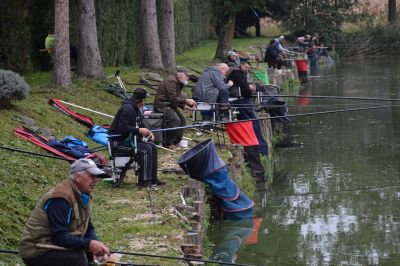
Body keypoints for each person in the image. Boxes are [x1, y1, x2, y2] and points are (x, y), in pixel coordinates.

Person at [19, 158, 110, 266]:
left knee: (90, 253)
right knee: (76, 258)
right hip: (37, 250)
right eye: (91, 176)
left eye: (96, 176)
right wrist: (89, 244)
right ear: (77, 177)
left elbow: (88, 227)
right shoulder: (60, 198)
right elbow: (59, 237)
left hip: (53, 245)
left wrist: (95, 244)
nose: (95, 180)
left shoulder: (82, 194)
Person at [109, 88, 165, 187]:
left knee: (152, 146)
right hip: (118, 143)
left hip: (129, 140)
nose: (145, 102)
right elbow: (123, 128)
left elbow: (141, 124)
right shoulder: (127, 109)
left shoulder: (135, 108)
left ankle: (152, 178)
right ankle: (144, 180)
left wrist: (148, 132)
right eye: (145, 100)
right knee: (146, 149)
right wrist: (139, 130)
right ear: (141, 100)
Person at [228, 61, 268, 163]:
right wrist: (251, 89)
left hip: (242, 98)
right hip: (236, 97)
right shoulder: (237, 72)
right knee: (250, 121)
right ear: (242, 65)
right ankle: (262, 153)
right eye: (246, 67)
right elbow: (242, 84)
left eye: (248, 68)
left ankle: (262, 151)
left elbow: (244, 85)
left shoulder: (241, 72)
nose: (247, 69)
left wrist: (251, 87)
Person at [153, 68, 197, 149]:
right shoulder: (171, 81)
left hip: (169, 105)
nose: (188, 79)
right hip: (162, 105)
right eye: (187, 76)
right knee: (175, 120)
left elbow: (176, 99)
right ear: (181, 74)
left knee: (182, 120)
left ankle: (176, 141)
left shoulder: (179, 82)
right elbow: (172, 98)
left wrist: (183, 106)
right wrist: (186, 100)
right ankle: (168, 143)